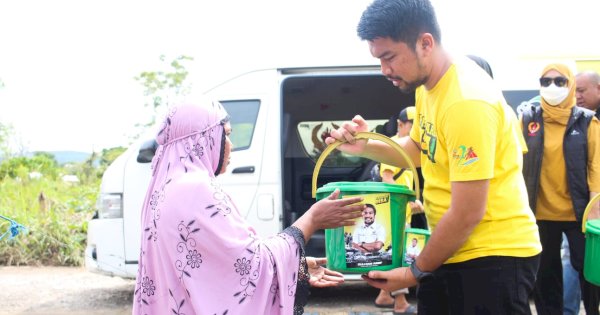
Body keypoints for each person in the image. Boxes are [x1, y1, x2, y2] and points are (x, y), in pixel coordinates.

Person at [326, 0, 542, 313]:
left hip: (492, 258)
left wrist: (413, 271)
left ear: (425, 43)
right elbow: (416, 148)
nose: (384, 70)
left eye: (389, 57)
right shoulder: (428, 86)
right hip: (450, 250)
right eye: (379, 59)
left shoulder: (466, 102)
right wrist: (366, 145)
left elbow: (468, 212)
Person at [131, 99, 366, 315]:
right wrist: (312, 219)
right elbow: (249, 266)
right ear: (204, 138)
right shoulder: (197, 188)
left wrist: (295, 264)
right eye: (226, 135)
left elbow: (216, 266)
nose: (231, 145)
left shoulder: (164, 187)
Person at [520, 63, 600, 315]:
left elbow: (595, 169)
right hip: (540, 214)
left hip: (580, 214)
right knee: (546, 277)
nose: (552, 87)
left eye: (559, 81)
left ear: (571, 86)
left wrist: (595, 211)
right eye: (546, 81)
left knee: (589, 274)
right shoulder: (528, 119)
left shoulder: (587, 122)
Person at [373, 106, 420, 314]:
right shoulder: (393, 149)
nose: (416, 129)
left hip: (400, 214)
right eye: (413, 125)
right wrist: (408, 202)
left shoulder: (408, 149)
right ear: (401, 125)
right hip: (395, 215)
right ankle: (400, 302)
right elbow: (388, 180)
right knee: (400, 258)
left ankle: (384, 296)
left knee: (393, 256)